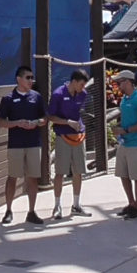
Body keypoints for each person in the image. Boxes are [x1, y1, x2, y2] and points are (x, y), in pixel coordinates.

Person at [0, 65, 47, 225]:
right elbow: (1, 122)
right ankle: (9, 210)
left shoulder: (37, 97)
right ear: (19, 79)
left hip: (33, 143)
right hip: (15, 144)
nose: (31, 80)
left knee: (33, 178)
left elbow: (44, 119)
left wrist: (36, 123)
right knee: (13, 177)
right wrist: (17, 123)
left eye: (32, 78)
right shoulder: (8, 99)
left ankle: (31, 212)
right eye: (28, 77)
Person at [47, 69, 92, 219]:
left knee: (78, 171)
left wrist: (76, 124)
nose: (83, 88)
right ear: (73, 82)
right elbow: (51, 116)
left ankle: (76, 205)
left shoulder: (83, 94)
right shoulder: (58, 94)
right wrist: (67, 122)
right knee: (60, 172)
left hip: (79, 136)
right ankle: (57, 205)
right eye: (81, 84)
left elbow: (78, 111)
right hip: (63, 136)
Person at [111, 70, 137, 219]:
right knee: (123, 174)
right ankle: (131, 203)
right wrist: (120, 130)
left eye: (120, 82)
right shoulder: (124, 100)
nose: (118, 85)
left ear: (128, 82)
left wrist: (126, 130)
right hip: (125, 143)